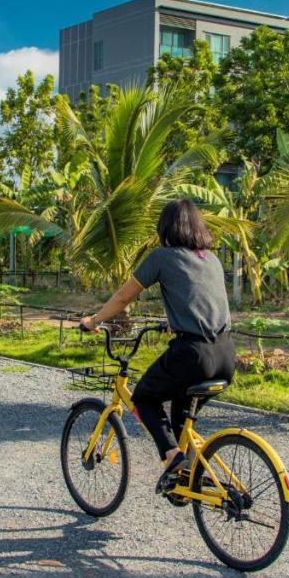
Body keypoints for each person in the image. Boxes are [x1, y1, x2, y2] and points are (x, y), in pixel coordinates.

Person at [82, 199, 234, 493]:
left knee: (144, 398)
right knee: (180, 415)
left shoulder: (162, 257)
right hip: (226, 355)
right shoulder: (211, 259)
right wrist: (175, 323)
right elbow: (203, 302)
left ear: (165, 228)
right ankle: (185, 478)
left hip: (193, 355)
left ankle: (175, 459)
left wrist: (94, 319)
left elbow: (124, 298)